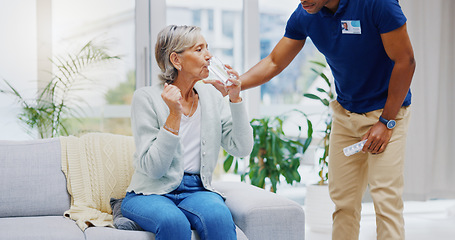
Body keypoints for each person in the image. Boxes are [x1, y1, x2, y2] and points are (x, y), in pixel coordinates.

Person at [239, 0, 415, 239]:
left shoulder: (377, 4)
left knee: (386, 201)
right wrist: (236, 84)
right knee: (343, 202)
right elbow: (274, 62)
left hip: (387, 113)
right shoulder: (306, 13)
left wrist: (386, 122)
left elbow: (405, 61)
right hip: (345, 115)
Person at [121, 25, 254, 240]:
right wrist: (174, 114)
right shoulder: (145, 98)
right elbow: (154, 169)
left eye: (207, 49)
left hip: (197, 189)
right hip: (151, 191)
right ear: (176, 60)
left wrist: (235, 99)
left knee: (219, 217)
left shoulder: (211, 96)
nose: (209, 56)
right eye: (199, 49)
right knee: (173, 222)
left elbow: (242, 148)